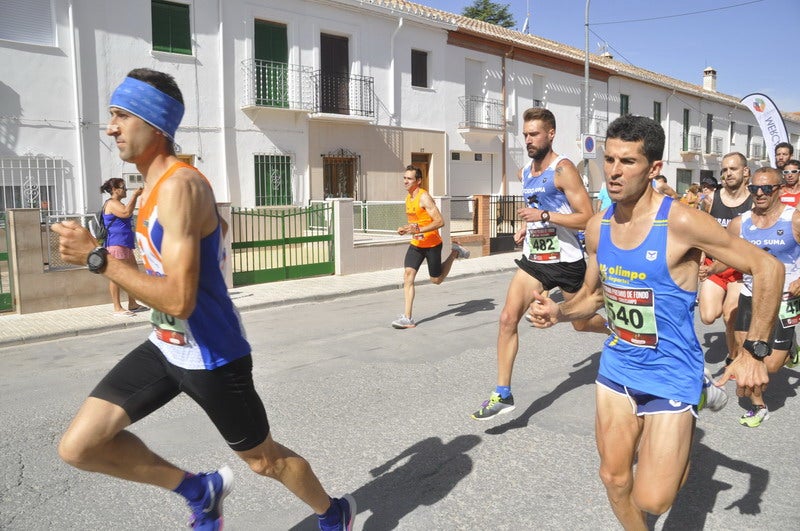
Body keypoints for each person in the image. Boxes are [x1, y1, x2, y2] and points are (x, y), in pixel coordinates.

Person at [52, 68, 355, 531]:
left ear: (155, 123)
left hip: (213, 355)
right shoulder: (153, 187)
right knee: (80, 447)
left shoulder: (179, 186)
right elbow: (219, 231)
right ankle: (201, 490)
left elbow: (179, 299)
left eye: (121, 116)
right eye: (111, 116)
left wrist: (96, 260)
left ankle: (334, 514)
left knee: (264, 461)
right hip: (166, 347)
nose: (110, 127)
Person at [528, 114, 782, 530]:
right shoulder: (599, 226)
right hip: (618, 366)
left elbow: (766, 267)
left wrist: (754, 350)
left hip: (671, 370)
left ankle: (689, 414)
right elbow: (593, 296)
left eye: (627, 162)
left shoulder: (680, 221)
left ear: (653, 169)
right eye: (609, 159)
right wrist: (558, 312)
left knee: (654, 498)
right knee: (613, 478)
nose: (613, 171)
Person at [471, 107, 607, 420]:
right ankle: (502, 393)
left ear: (550, 134)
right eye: (526, 135)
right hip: (536, 258)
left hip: (567, 259)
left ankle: (614, 327)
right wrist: (528, 226)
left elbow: (587, 218)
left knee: (581, 322)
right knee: (507, 318)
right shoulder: (525, 173)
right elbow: (535, 206)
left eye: (534, 134)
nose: (529, 140)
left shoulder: (564, 169)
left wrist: (544, 217)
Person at [715, 167, 800, 427]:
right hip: (751, 295)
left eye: (766, 189)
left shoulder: (794, 219)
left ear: (779, 190)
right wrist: (710, 268)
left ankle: (790, 349)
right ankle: (758, 406)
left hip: (786, 297)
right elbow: (724, 255)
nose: (759, 194)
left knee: (772, 365)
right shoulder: (740, 223)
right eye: (754, 189)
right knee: (746, 354)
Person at [392, 165, 469, 329]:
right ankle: (408, 318)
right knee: (408, 275)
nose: (405, 181)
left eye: (409, 178)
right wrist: (405, 229)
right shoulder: (408, 198)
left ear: (418, 181)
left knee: (436, 280)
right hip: (416, 244)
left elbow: (440, 221)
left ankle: (455, 252)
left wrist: (418, 229)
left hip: (432, 244)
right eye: (404, 178)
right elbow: (417, 222)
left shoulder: (424, 197)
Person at [698, 152, 753, 367]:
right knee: (707, 317)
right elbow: (704, 232)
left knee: (730, 315)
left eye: (733, 169)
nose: (728, 174)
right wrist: (702, 259)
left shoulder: (753, 200)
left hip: (739, 269)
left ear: (745, 172)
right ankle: (738, 329)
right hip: (715, 267)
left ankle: (733, 356)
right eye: (724, 170)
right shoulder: (712, 199)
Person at [99, 178, 147, 316]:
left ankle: (132, 303)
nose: (126, 190)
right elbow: (126, 212)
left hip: (124, 244)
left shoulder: (118, 203)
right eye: (123, 187)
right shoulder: (112, 203)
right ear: (114, 190)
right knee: (117, 276)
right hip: (115, 244)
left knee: (132, 273)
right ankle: (117, 308)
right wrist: (135, 196)